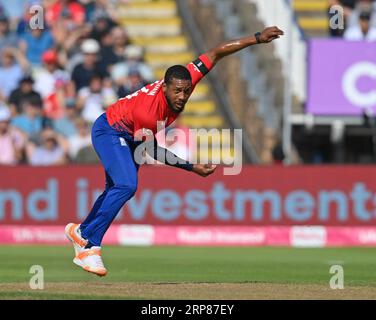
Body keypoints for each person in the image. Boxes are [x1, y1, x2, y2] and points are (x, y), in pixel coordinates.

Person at [65, 26, 284, 276]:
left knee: (116, 188)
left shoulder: (187, 77)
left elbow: (216, 52)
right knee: (126, 186)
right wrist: (191, 167)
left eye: (187, 91)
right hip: (110, 131)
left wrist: (256, 38)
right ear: (165, 88)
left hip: (128, 132)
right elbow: (150, 148)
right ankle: (89, 248)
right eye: (177, 91)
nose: (183, 96)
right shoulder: (148, 113)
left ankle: (82, 232)